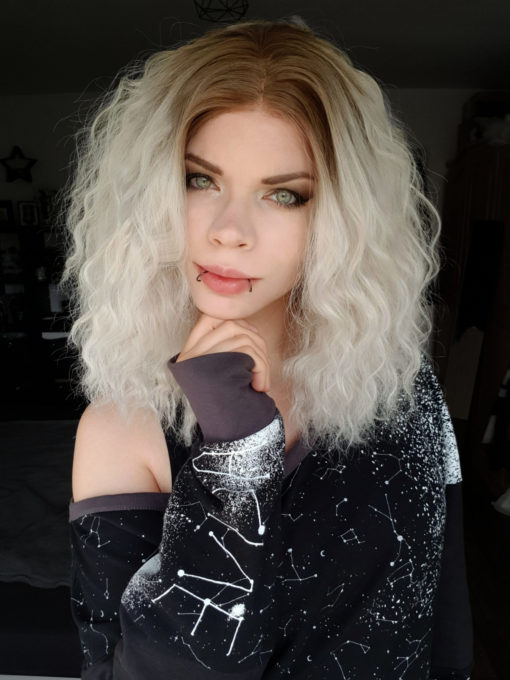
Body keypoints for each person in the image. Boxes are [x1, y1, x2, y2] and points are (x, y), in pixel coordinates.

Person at [64, 19, 472, 679]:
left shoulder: (403, 390)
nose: (230, 231)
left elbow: (441, 615)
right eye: (199, 180)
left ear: (343, 217)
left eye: (284, 195)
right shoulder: (122, 428)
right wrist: (233, 460)